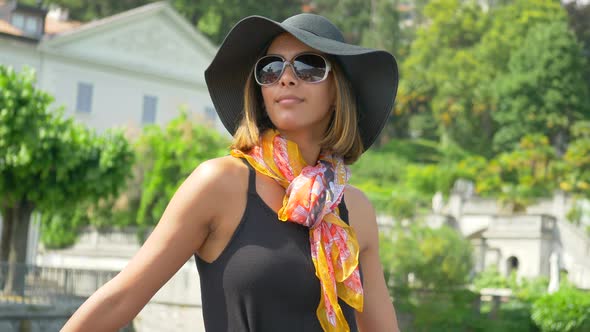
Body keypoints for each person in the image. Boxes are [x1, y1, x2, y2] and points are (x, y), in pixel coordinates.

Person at [62, 13, 400, 332]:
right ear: (261, 91)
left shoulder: (354, 210)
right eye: (270, 68)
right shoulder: (220, 184)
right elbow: (121, 299)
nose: (285, 77)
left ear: (337, 93)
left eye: (308, 66)